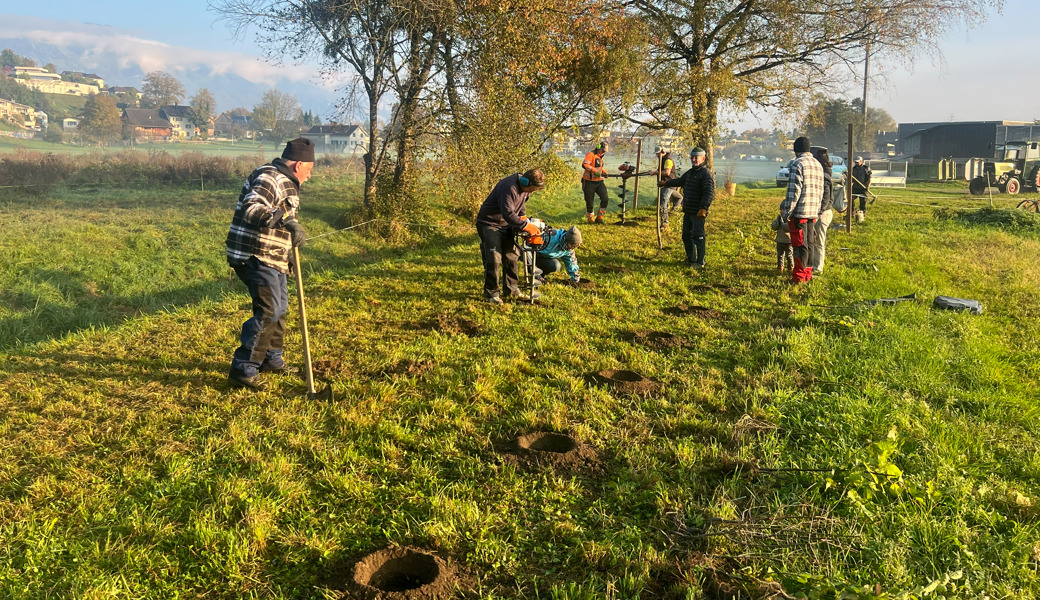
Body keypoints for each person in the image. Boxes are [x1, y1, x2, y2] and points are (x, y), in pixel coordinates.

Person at [225, 137, 315, 390]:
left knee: (280, 307)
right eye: (309, 171)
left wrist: (287, 256)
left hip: (273, 256)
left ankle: (271, 359)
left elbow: (279, 221)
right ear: (298, 165)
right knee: (269, 311)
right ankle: (243, 369)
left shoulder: (287, 181)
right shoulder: (270, 178)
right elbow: (251, 208)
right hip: (253, 254)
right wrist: (287, 222)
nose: (309, 176)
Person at [476, 169, 547, 304]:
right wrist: (527, 227)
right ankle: (492, 293)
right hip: (489, 223)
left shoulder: (525, 188)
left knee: (511, 256)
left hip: (507, 224)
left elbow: (521, 208)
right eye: (531, 189)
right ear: (525, 182)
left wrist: (525, 221)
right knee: (494, 258)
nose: (531, 192)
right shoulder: (509, 188)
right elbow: (508, 213)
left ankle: (512, 290)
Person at [659, 147, 714, 268]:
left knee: (698, 236)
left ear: (703, 159)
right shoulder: (690, 172)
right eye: (692, 157)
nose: (694, 159)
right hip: (688, 210)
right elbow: (679, 181)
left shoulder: (705, 174)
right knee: (686, 236)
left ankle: (700, 262)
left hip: (698, 211)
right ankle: (691, 259)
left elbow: (709, 193)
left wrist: (703, 208)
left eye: (696, 157)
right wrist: (666, 183)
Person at [780, 136, 824, 283]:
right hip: (813, 212)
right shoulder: (818, 164)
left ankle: (798, 277)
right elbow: (821, 190)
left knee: (799, 245)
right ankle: (807, 274)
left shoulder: (797, 164)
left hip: (800, 213)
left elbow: (794, 192)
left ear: (796, 151)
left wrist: (787, 212)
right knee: (810, 244)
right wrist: (817, 210)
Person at [811, 147, 834, 274]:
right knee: (814, 240)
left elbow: (826, 199)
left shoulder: (824, 176)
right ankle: (813, 264)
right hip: (820, 211)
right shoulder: (824, 173)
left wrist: (818, 213)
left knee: (819, 241)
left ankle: (818, 268)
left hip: (823, 212)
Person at [581, 142, 610, 223]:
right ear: (599, 148)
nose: (604, 152)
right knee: (589, 201)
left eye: (605, 151)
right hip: (588, 182)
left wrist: (604, 172)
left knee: (605, 199)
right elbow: (585, 165)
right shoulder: (591, 154)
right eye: (603, 151)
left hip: (599, 181)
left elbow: (599, 167)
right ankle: (590, 219)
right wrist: (595, 171)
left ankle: (600, 217)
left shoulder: (600, 156)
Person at [653, 148, 679, 226]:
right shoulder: (663, 159)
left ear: (662, 152)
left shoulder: (668, 160)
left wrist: (655, 172)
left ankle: (664, 222)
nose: (656, 155)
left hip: (668, 184)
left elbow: (667, 172)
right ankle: (675, 209)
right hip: (667, 184)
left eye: (658, 153)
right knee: (679, 197)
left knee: (663, 203)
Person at [851, 156, 872, 221]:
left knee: (863, 201)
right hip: (855, 188)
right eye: (855, 162)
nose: (856, 163)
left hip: (863, 188)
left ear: (861, 161)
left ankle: (862, 213)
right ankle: (852, 213)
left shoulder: (866, 169)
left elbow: (870, 178)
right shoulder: (853, 169)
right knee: (851, 199)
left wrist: (868, 186)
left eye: (857, 162)